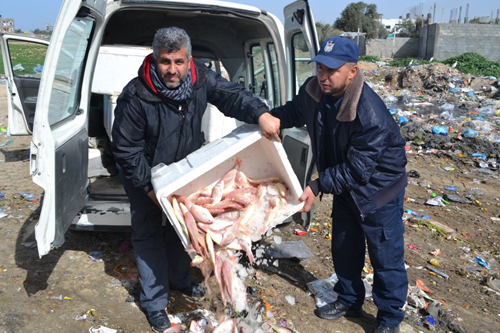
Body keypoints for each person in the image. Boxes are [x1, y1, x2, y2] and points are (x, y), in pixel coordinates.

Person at [111, 26, 279, 332]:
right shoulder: (136, 96)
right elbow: (126, 149)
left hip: (181, 172)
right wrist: (152, 191)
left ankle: (178, 280)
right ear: (155, 58)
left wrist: (259, 114)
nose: (172, 70)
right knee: (149, 234)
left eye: (178, 61)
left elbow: (231, 96)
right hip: (143, 173)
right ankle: (155, 302)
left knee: (183, 232)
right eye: (165, 62)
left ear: (189, 60)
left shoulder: (201, 78)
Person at [264, 36, 408, 333]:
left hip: (379, 192)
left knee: (385, 256)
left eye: (332, 70)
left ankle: (389, 319)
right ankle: (349, 298)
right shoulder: (314, 91)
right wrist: (267, 118)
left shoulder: (370, 114)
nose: (323, 76)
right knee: (344, 245)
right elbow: (295, 111)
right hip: (345, 185)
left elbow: (359, 169)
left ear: (352, 72)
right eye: (320, 68)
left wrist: (317, 185)